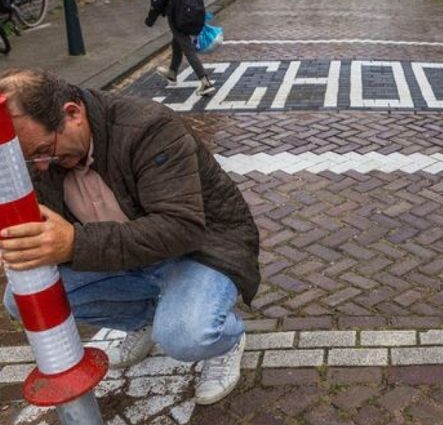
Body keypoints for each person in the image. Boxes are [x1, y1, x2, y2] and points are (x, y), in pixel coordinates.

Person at [0, 68, 260, 404]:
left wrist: (73, 244)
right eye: (28, 159)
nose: (39, 167)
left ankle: (227, 339)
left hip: (199, 250)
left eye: (42, 152)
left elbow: (182, 228)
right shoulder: (44, 156)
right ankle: (146, 320)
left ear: (73, 113)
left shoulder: (148, 128)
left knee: (185, 335)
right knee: (23, 297)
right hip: (120, 255)